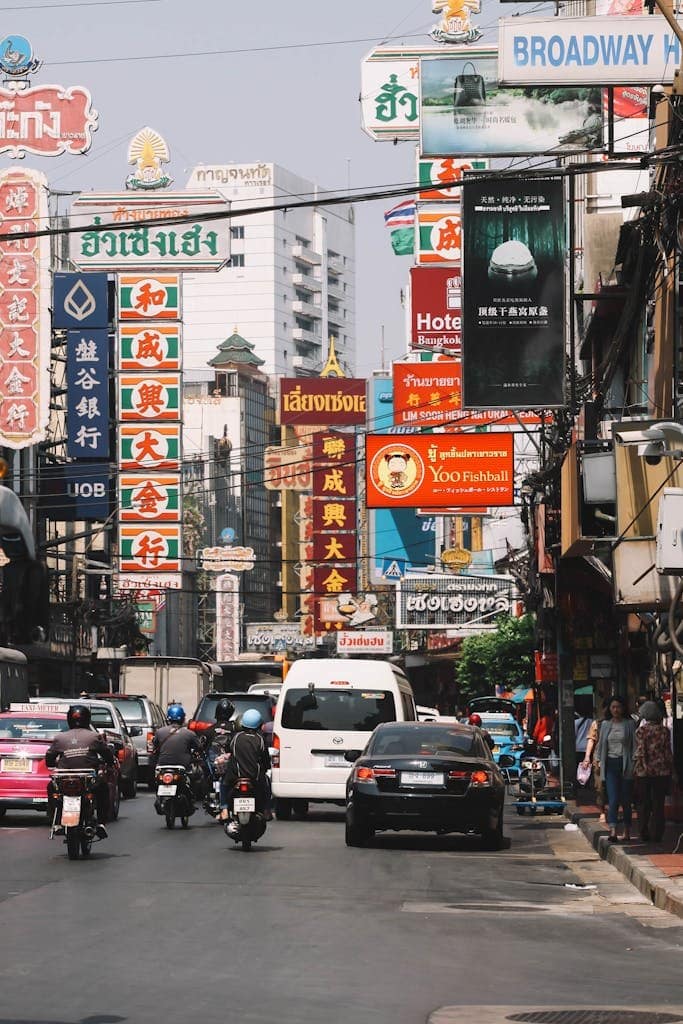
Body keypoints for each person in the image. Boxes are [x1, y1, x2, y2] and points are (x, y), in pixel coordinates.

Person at [45, 704, 116, 830]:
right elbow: (107, 755)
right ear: (87, 719)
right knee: (103, 789)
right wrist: (110, 764)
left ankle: (55, 821)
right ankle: (100, 822)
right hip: (87, 779)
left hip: (64, 779)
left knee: (51, 788)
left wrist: (53, 763)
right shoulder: (94, 736)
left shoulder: (60, 738)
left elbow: (49, 760)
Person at [219, 708, 271, 824]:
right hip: (254, 777)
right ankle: (267, 809)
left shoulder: (236, 737)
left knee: (223, 784)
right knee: (267, 783)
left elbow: (228, 750)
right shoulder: (260, 740)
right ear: (258, 724)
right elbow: (266, 760)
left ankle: (224, 809)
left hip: (234, 776)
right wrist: (266, 767)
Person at [595, 696, 636, 843]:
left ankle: (626, 830)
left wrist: (635, 762)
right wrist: (597, 761)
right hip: (610, 765)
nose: (616, 710)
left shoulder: (630, 724)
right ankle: (612, 830)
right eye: (613, 707)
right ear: (609, 709)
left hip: (626, 765)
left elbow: (635, 745)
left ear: (623, 708)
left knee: (626, 800)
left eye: (618, 707)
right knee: (613, 800)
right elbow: (600, 746)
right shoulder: (605, 724)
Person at [633, 700, 673, 843]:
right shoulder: (664, 731)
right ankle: (657, 834)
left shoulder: (641, 731)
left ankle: (644, 832)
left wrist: (642, 767)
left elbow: (640, 751)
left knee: (643, 803)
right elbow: (668, 752)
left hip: (644, 772)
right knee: (658, 804)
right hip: (661, 771)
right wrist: (672, 770)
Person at [152, 704, 203, 795]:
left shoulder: (160, 732)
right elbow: (199, 748)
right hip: (183, 767)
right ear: (183, 718)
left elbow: (154, 746)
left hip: (162, 766)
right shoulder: (189, 734)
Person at [582, 697, 612, 822]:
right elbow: (591, 740)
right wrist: (587, 757)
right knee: (600, 787)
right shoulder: (597, 723)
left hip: (616, 759)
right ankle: (602, 812)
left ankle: (613, 811)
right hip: (599, 761)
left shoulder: (623, 723)